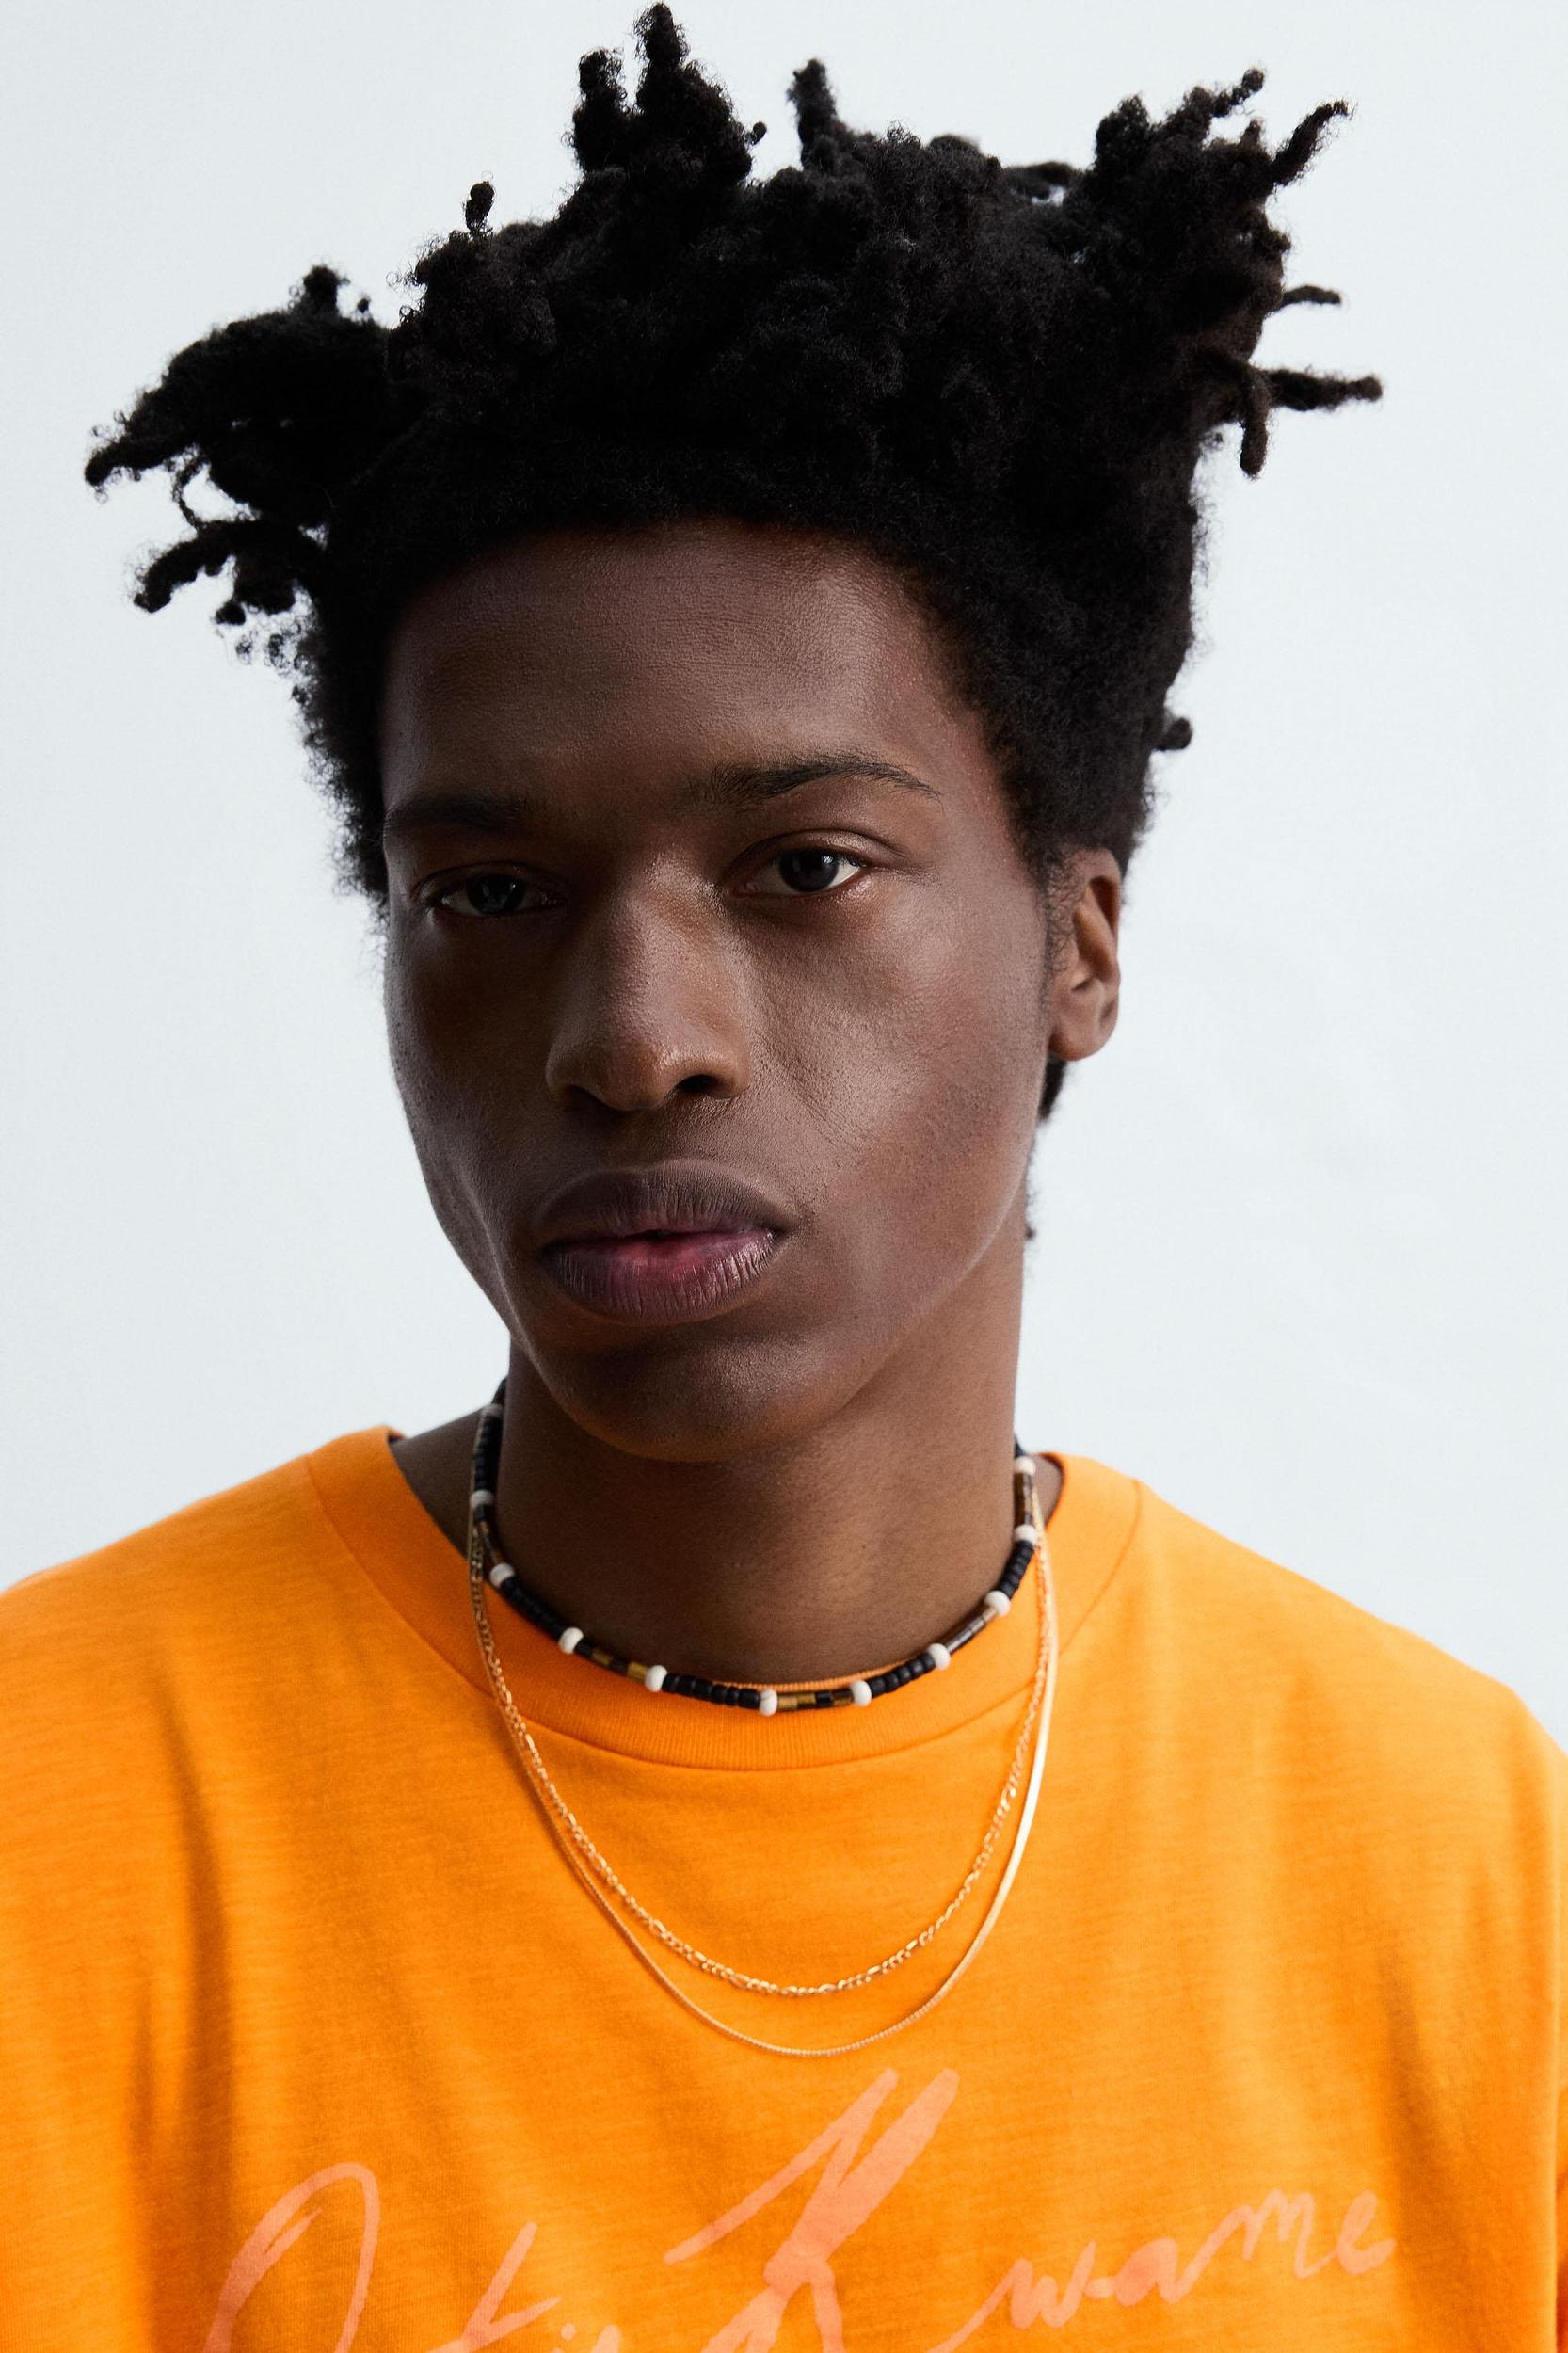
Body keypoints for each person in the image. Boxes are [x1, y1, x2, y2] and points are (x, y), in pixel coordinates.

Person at [3, 8, 1561, 2345]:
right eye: (489, 892)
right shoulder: (54, 1812)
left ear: (1076, 939)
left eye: (802, 865)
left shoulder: (1458, 1866)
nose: (634, 1039)